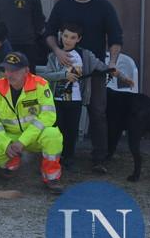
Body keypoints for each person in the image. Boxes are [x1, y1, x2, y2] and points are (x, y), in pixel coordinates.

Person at [45, 0, 124, 174]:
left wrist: (112, 62)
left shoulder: (104, 6)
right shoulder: (62, 5)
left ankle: (99, 158)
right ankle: (59, 155)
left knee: (97, 112)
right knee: (60, 115)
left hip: (93, 71)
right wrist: (56, 51)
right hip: (63, 70)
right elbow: (49, 32)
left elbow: (116, 37)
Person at [37, 23, 133, 170]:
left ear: (79, 39)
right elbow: (46, 76)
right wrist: (63, 75)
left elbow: (105, 68)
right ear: (61, 36)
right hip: (56, 101)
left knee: (71, 131)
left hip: (75, 101)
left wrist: (123, 77)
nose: (68, 40)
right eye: (65, 36)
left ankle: (69, 158)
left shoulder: (85, 56)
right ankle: (54, 159)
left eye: (72, 37)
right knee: (56, 131)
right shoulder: (54, 56)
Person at [0, 52, 64, 194]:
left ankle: (51, 177)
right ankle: (12, 162)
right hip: (10, 137)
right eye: (6, 70)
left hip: (34, 137)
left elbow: (48, 116)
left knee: (53, 135)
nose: (9, 74)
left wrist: (23, 141)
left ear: (26, 71)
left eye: (14, 70)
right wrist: (6, 143)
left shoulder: (41, 85)